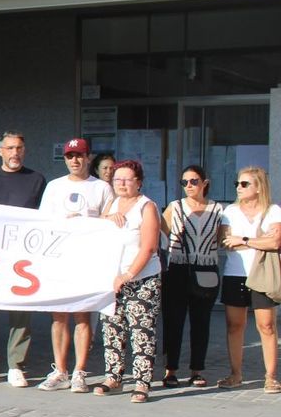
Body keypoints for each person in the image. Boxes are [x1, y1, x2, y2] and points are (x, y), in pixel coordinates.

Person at [0, 131, 48, 387]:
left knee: (20, 313)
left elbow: (46, 218)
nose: (15, 153)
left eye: (19, 148)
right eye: (10, 148)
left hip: (22, 259)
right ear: (0, 150)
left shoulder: (36, 180)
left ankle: (16, 365)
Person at [35, 137, 113, 393]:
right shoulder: (55, 187)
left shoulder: (101, 187)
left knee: (82, 315)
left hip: (88, 261)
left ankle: (79, 370)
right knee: (59, 317)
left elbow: (110, 221)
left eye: (80, 155)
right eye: (70, 156)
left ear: (89, 157)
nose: (75, 160)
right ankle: (60, 370)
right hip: (60, 260)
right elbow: (43, 221)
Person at [94, 160, 162, 403]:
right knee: (112, 328)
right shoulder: (112, 204)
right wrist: (107, 218)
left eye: (127, 179)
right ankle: (113, 375)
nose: (121, 184)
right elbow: (96, 229)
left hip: (141, 279)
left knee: (141, 331)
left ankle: (142, 381)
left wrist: (129, 275)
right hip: (112, 279)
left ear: (139, 182)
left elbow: (149, 246)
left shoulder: (147, 206)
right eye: (117, 180)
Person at [218, 166, 281, 392]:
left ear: (259, 187)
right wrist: (257, 240)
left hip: (262, 274)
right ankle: (235, 374)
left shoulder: (273, 210)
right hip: (235, 273)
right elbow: (225, 241)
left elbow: (275, 242)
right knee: (235, 325)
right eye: (237, 183)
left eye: (245, 184)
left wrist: (243, 239)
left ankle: (271, 376)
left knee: (266, 325)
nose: (239, 187)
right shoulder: (230, 212)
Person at [160, 164, 221, 390]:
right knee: (173, 321)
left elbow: (225, 239)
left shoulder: (217, 210)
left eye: (193, 181)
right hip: (177, 269)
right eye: (184, 182)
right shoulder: (175, 207)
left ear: (205, 183)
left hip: (206, 269)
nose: (188, 186)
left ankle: (197, 370)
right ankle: (171, 370)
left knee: (201, 322)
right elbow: (158, 234)